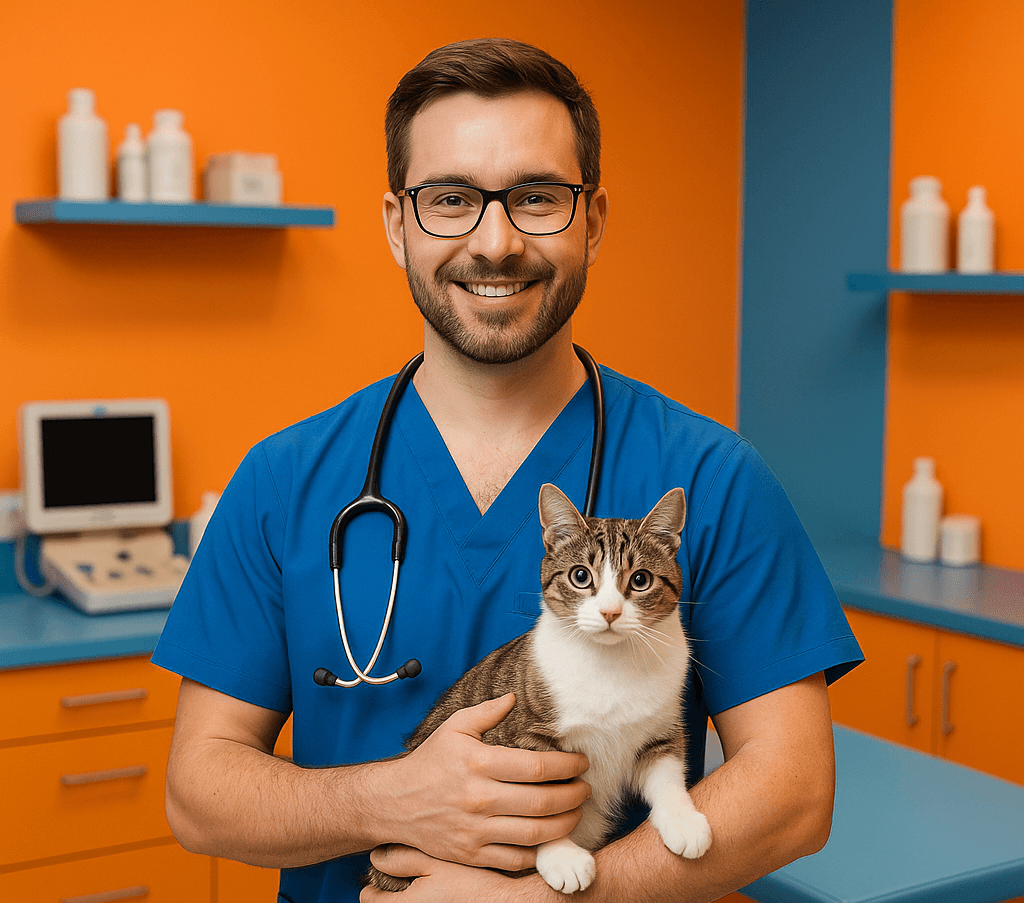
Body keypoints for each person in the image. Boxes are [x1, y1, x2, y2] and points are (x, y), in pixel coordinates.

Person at [154, 38, 863, 903]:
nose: (495, 242)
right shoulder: (282, 482)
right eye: (450, 199)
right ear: (397, 224)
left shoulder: (714, 477)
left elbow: (795, 794)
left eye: (537, 198)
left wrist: (539, 901)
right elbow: (199, 796)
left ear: (592, 220)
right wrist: (390, 797)